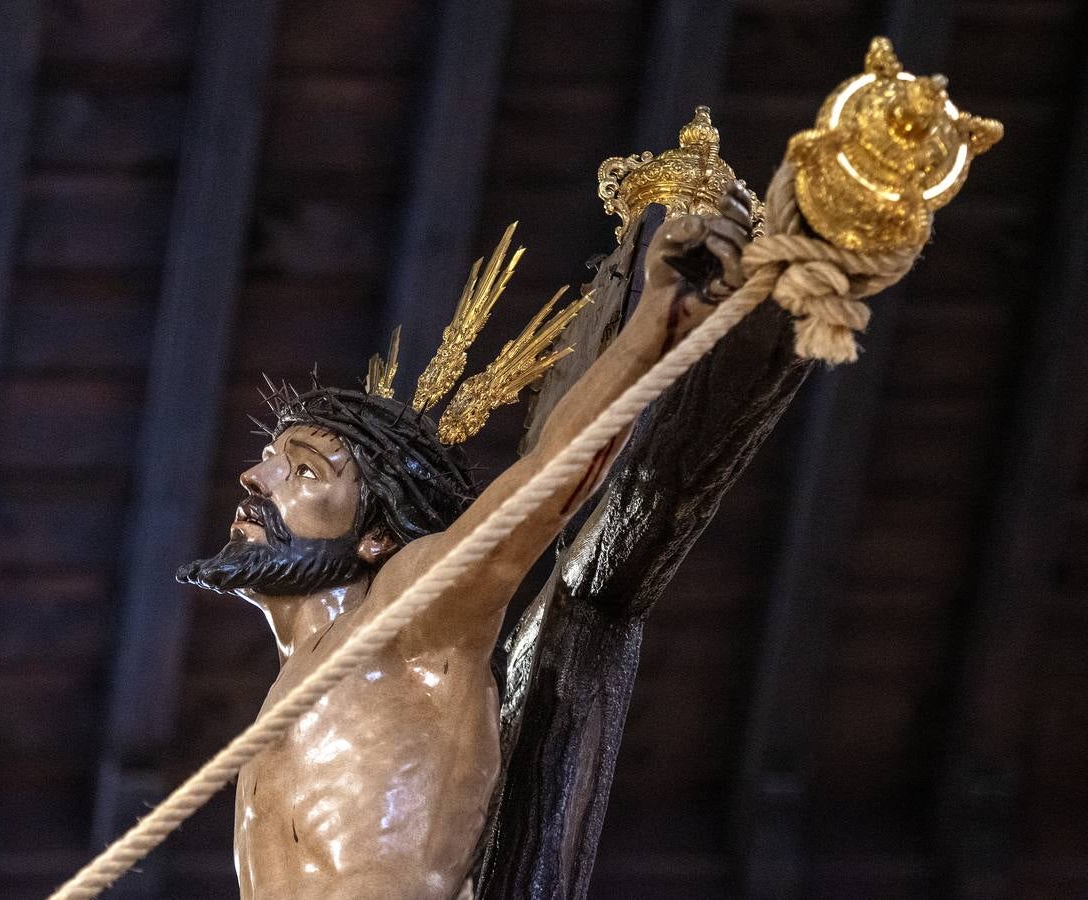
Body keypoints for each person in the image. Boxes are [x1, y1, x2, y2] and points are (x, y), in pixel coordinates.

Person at [178, 184, 757, 899]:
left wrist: (654, 324)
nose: (253, 478)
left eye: (301, 468)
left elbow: (547, 482)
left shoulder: (408, 614)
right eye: (270, 459)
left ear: (377, 536)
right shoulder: (286, 695)